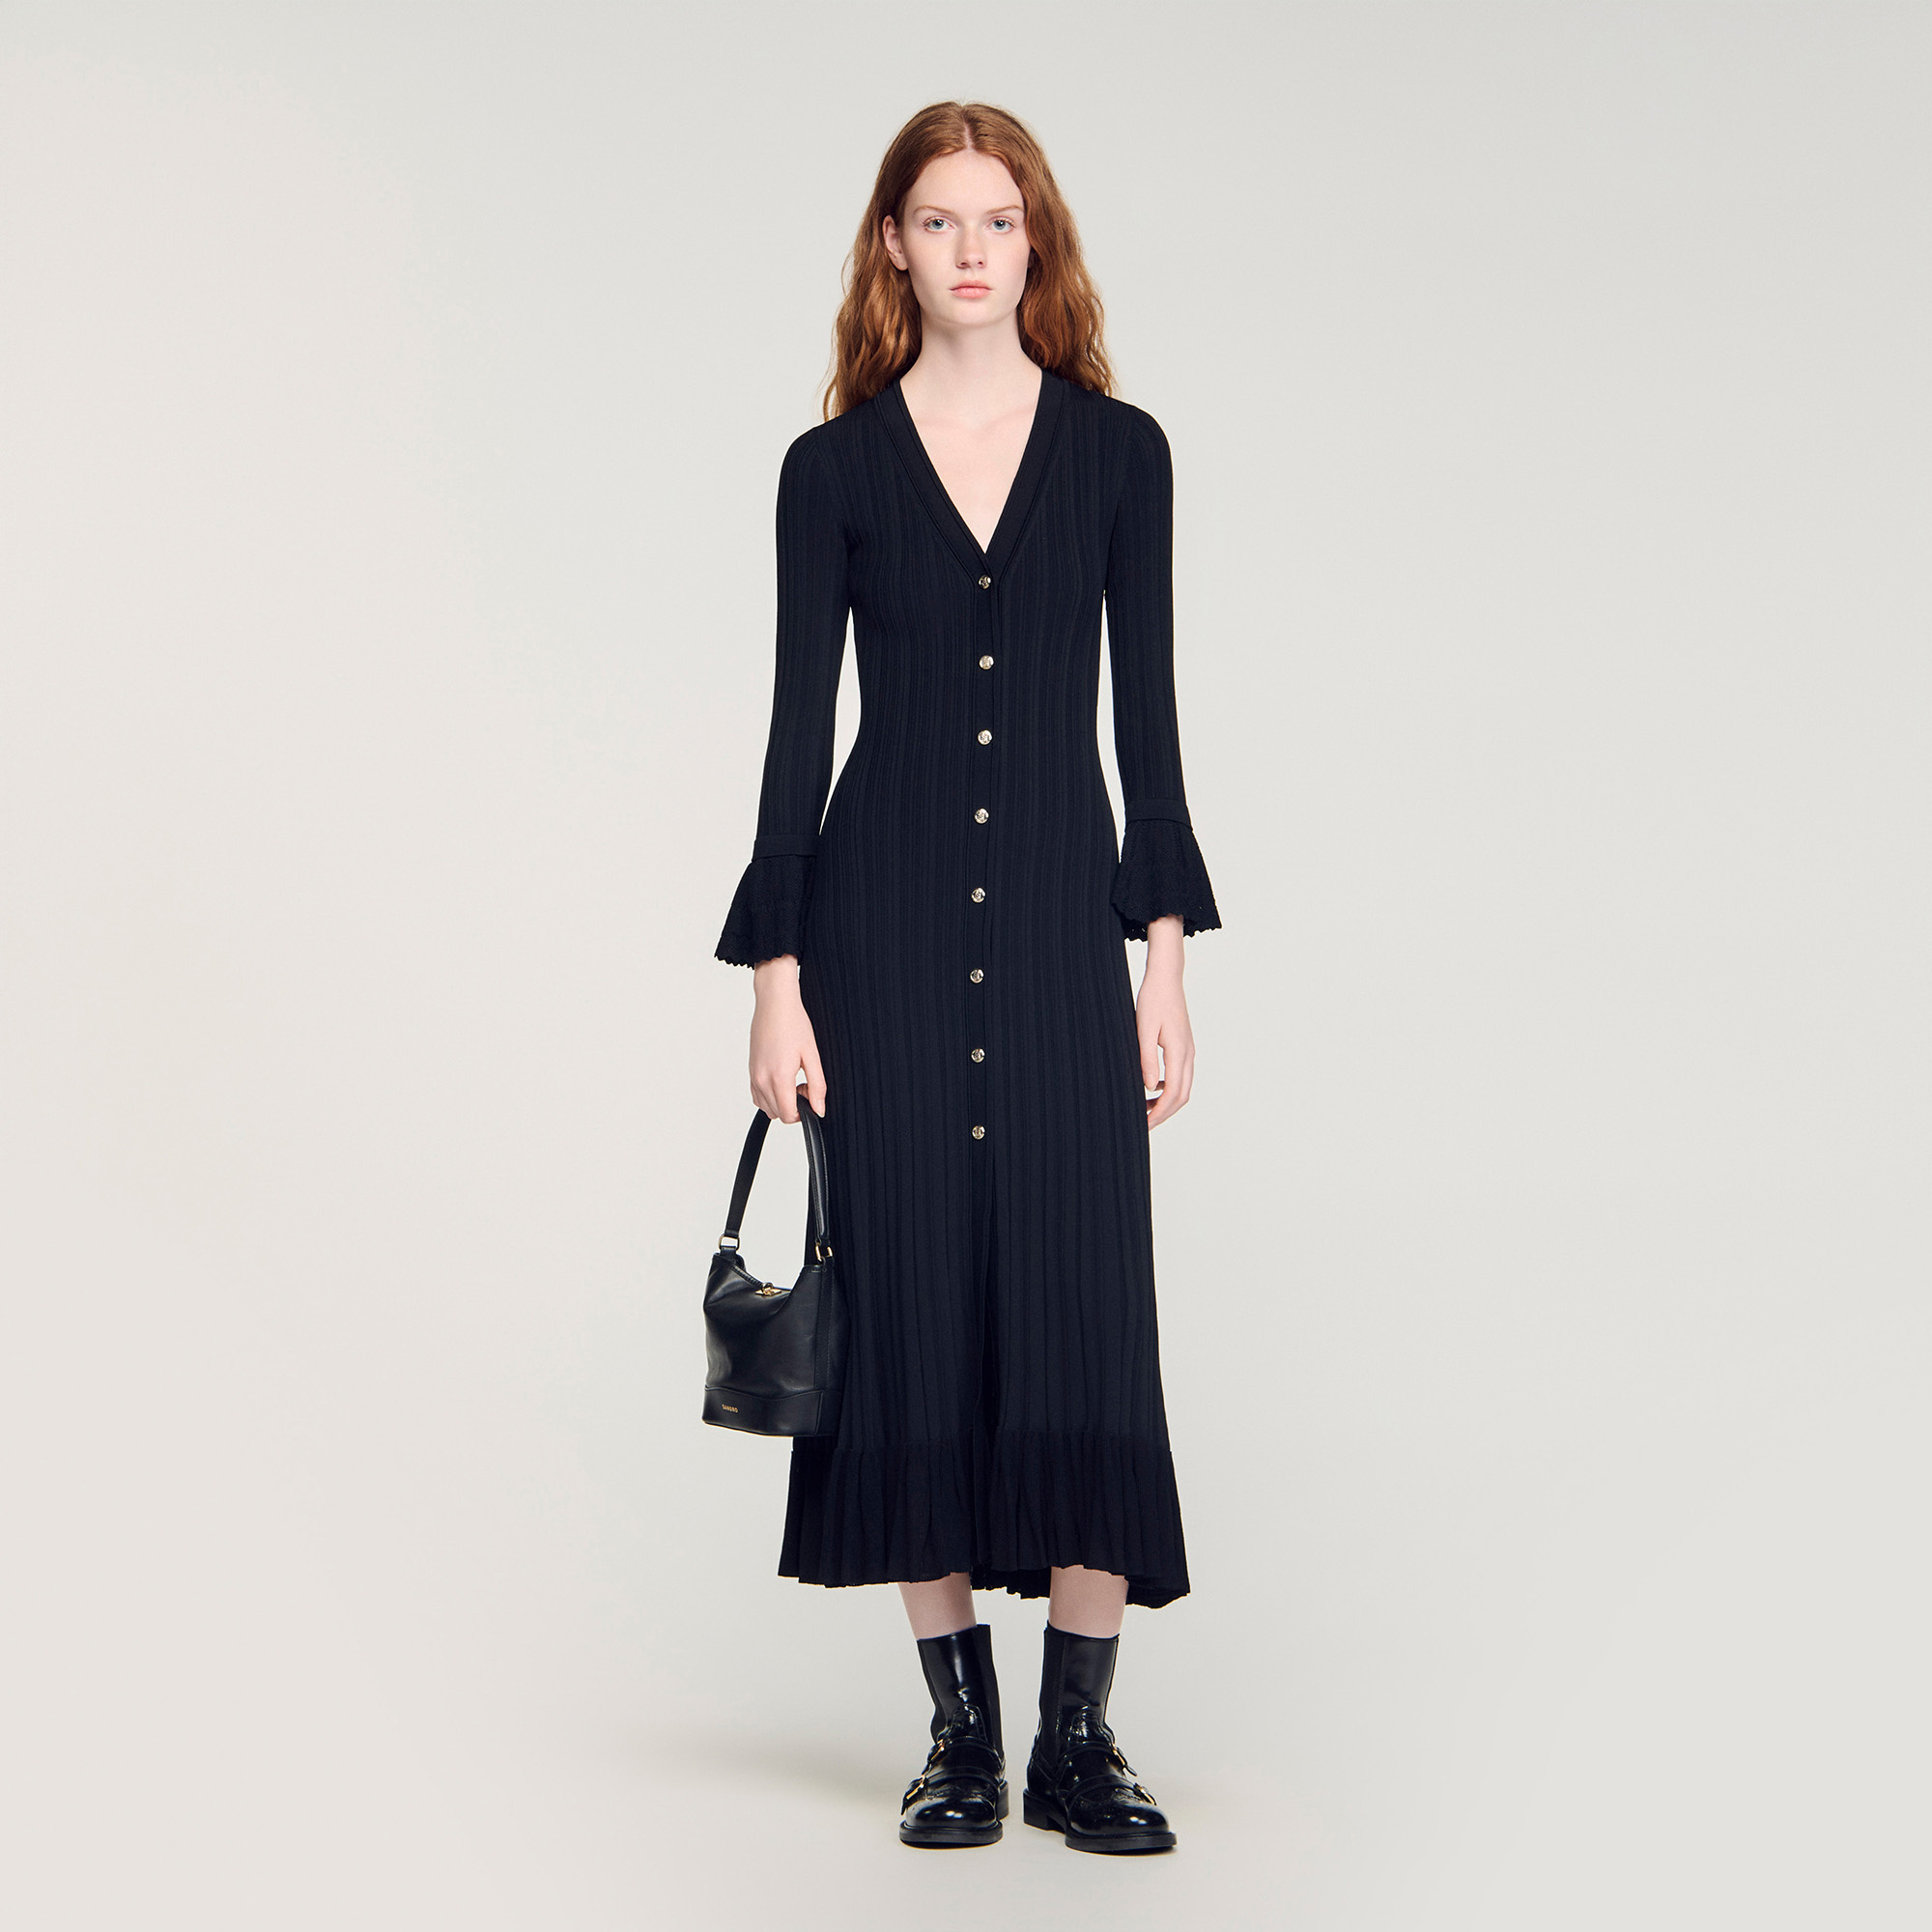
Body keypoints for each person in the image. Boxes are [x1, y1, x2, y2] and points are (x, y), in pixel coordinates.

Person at [715, 100, 1220, 1855]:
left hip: (1068, 932)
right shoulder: (833, 472)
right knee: (914, 1310)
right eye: (938, 221)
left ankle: (1081, 1741)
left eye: (999, 219)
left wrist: (1163, 964)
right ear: (894, 247)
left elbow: (1150, 731)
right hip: (884, 940)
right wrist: (777, 980)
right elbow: (797, 738)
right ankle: (960, 1739)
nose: (972, 250)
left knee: (1087, 1307)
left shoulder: (1122, 455)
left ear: (1036, 239)